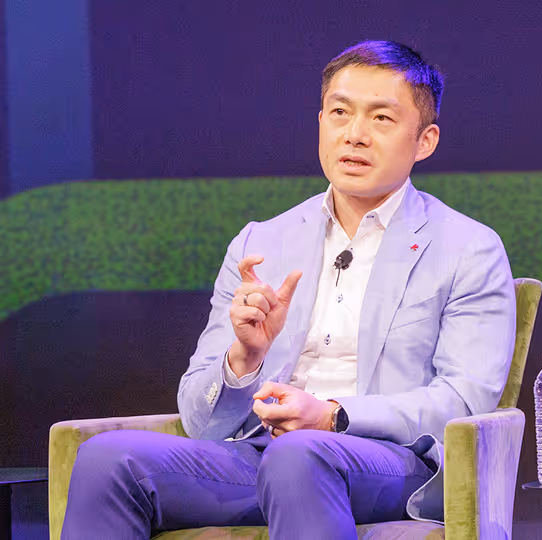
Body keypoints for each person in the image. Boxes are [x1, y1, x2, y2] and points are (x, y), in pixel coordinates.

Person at [62, 41, 517, 539]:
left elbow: (463, 400)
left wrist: (332, 417)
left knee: (298, 456)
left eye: (382, 119)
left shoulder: (467, 247)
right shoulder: (262, 241)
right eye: (340, 113)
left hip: (390, 465)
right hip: (261, 455)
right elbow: (200, 418)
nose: (355, 135)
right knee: (109, 458)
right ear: (321, 121)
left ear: (424, 140)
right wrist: (243, 361)